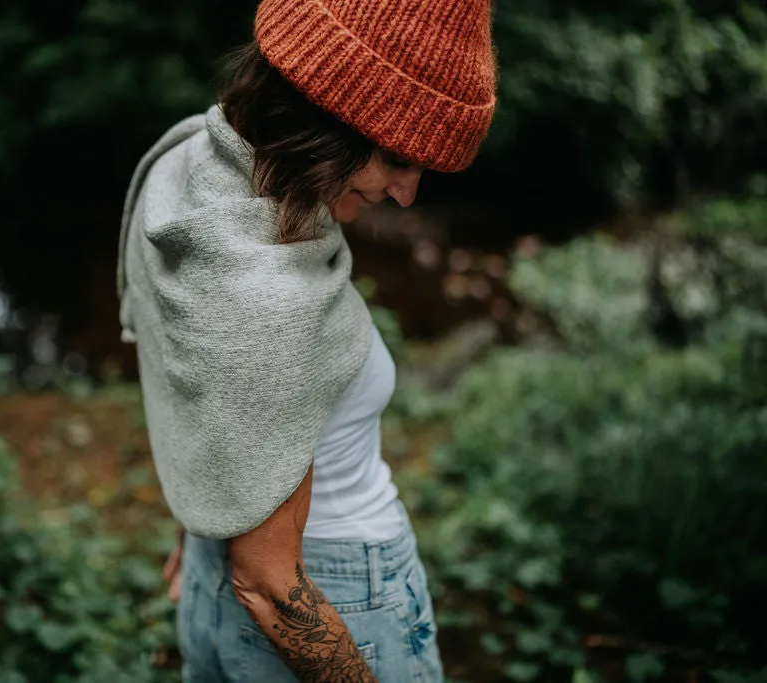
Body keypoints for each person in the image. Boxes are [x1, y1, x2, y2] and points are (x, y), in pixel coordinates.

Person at [117, 0, 497, 680]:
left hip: (213, 575)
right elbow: (268, 583)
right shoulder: (271, 299)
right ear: (333, 114)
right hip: (336, 596)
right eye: (401, 158)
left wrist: (199, 522)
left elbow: (202, 388)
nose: (408, 194)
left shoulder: (184, 164)